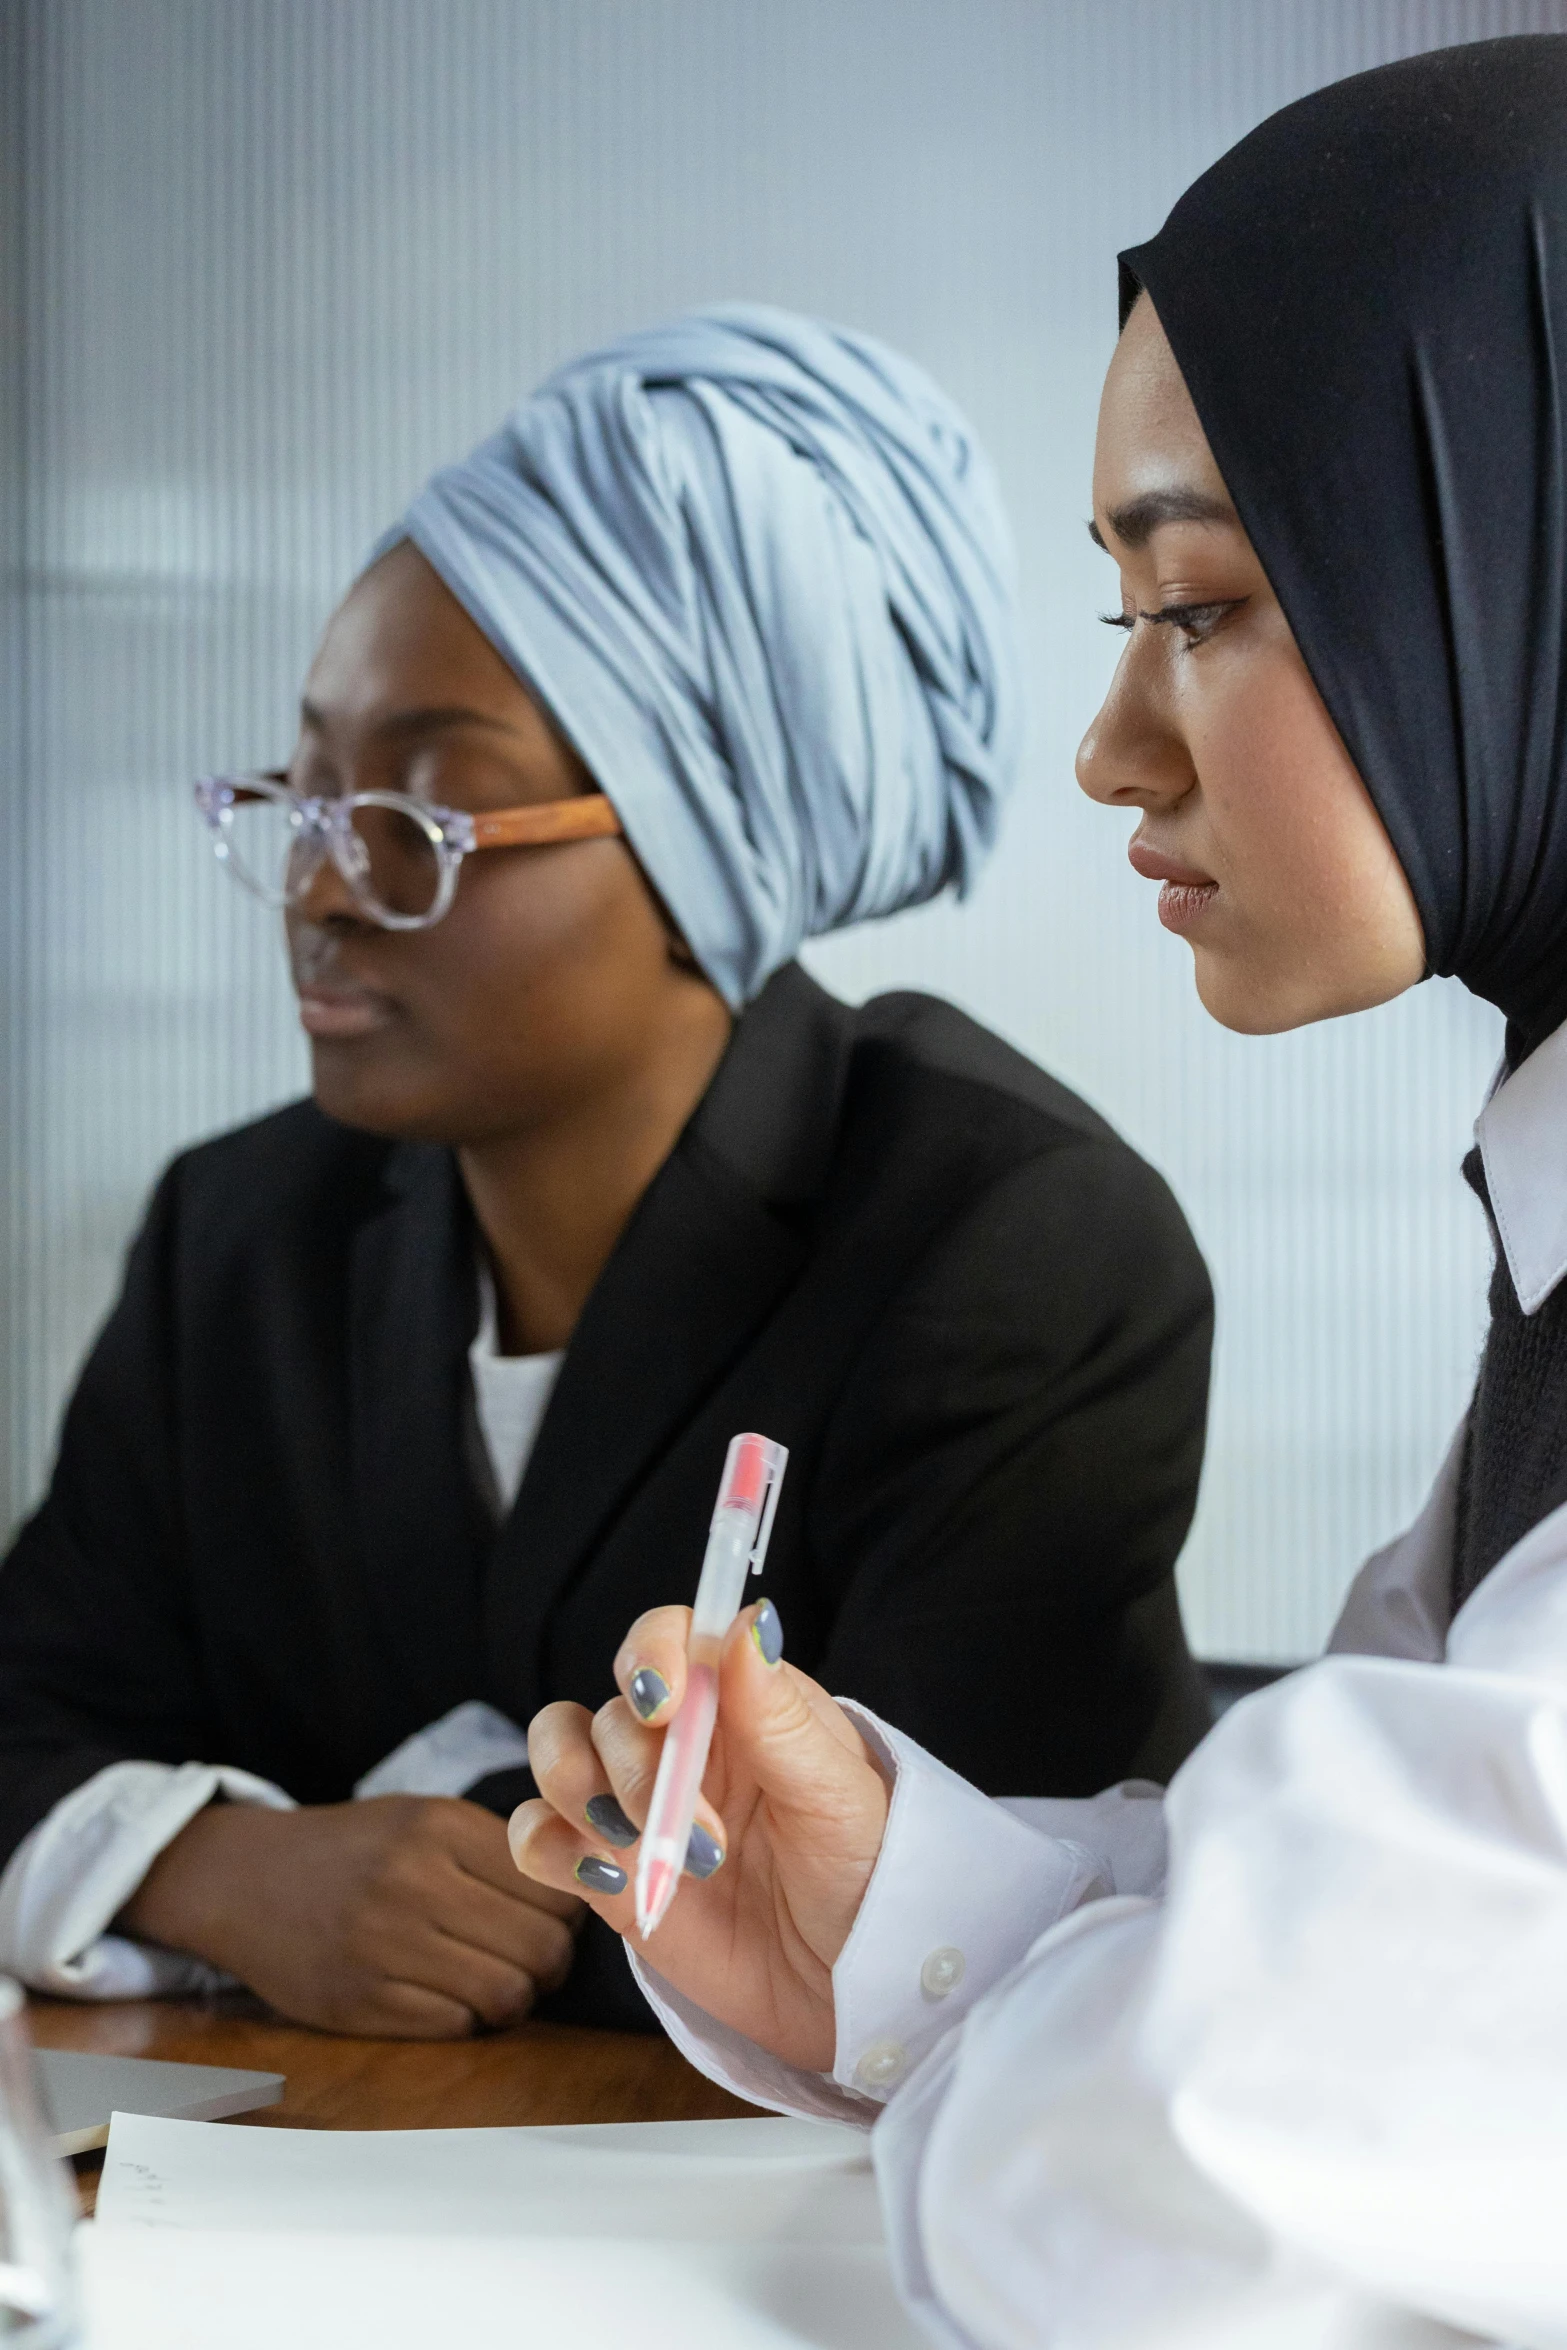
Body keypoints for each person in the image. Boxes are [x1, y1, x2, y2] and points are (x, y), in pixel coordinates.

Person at [510, 39, 1567, 2345]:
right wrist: (885, 1910)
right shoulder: (1543, 1232)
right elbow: (1351, 1876)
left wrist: (1030, 2056)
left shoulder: (1017, 1230)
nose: (1107, 745)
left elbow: (1218, 2160)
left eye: (1196, 607)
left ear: (1511, 562)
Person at [0, 309, 1215, 2040]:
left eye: (418, 818)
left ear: (701, 836)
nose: (320, 888)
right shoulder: (242, 1233)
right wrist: (222, 1867)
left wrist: (453, 1888)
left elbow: (955, 1912)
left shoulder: (1010, 1243)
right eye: (312, 791)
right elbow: (28, 1700)